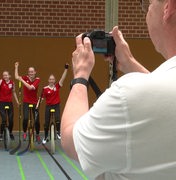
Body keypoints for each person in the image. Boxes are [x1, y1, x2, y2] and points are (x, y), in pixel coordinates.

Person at [61, 0, 176, 179]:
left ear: (168, 7)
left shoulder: (127, 96)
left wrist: (81, 75)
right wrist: (129, 62)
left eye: (148, 5)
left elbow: (70, 139)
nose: (146, 14)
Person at [41, 63, 68, 144]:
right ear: (48, 80)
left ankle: (58, 132)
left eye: (53, 79)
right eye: (50, 79)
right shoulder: (45, 89)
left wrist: (66, 69)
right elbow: (41, 99)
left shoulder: (57, 86)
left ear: (54, 80)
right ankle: (45, 136)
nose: (52, 81)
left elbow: (63, 78)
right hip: (48, 107)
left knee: (57, 119)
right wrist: (37, 105)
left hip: (56, 106)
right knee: (46, 123)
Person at [14, 62, 41, 143]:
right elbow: (16, 77)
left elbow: (30, 88)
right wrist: (16, 67)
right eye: (29, 72)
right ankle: (25, 132)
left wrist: (22, 80)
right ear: (28, 73)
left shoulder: (37, 79)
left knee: (36, 120)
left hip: (34, 102)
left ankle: (37, 135)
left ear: (35, 72)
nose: (31, 73)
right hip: (26, 102)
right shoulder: (25, 77)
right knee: (25, 118)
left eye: (32, 72)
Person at [0, 71, 20, 141]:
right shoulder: (1, 81)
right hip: (2, 103)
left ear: (9, 76)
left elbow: (14, 92)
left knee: (11, 120)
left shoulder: (12, 83)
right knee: (4, 119)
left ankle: (10, 132)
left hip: (9, 103)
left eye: (6, 75)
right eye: (4, 75)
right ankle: (1, 134)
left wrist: (17, 101)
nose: (5, 77)